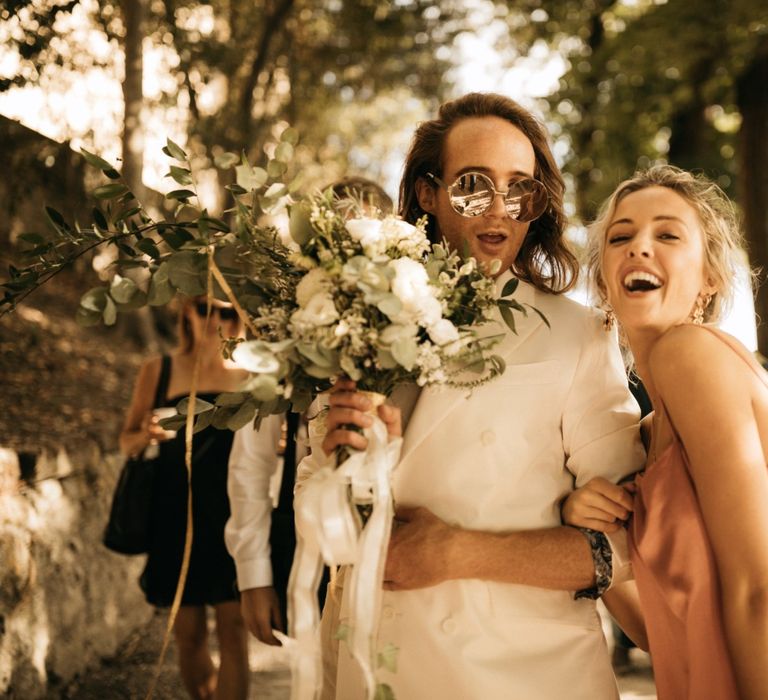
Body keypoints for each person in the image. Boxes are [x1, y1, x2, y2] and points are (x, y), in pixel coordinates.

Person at [295, 92, 646, 699]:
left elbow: (622, 546)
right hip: (374, 659)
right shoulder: (354, 320)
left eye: (521, 190)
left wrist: (457, 553)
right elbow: (317, 515)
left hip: (525, 675)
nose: (499, 209)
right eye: (473, 184)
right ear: (428, 193)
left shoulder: (580, 334)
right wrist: (349, 464)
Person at [562, 165, 768, 700]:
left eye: (668, 234)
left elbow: (759, 591)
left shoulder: (693, 353)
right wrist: (581, 528)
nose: (639, 247)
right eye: (620, 236)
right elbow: (655, 631)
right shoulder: (646, 435)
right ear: (605, 281)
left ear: (710, 278)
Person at [224, 177, 394, 646]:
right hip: (307, 541)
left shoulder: (410, 325)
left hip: (399, 547)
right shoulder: (287, 329)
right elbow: (252, 461)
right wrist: (253, 573)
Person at [120, 296, 249, 700]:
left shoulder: (250, 376)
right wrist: (147, 435)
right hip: (174, 512)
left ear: (237, 318)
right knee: (188, 634)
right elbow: (127, 442)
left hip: (232, 512)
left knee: (233, 630)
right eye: (204, 308)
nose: (215, 319)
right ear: (187, 315)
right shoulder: (157, 371)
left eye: (226, 310)